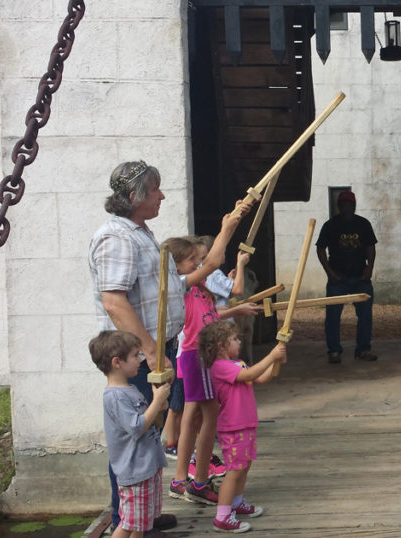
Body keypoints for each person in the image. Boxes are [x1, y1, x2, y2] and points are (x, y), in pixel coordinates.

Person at [89, 161, 182, 533]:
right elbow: (114, 302)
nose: (162, 196)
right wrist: (153, 352)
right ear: (134, 196)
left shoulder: (139, 231)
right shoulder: (117, 237)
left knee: (149, 439)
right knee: (133, 441)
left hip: (150, 353)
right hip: (137, 358)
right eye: (156, 189)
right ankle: (124, 522)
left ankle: (145, 515)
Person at [163, 236, 262, 506]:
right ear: (176, 265)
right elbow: (214, 265)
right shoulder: (182, 285)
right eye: (193, 260)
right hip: (196, 354)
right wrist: (228, 229)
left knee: (195, 416)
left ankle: (182, 479)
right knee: (208, 417)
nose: (199, 264)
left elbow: (210, 316)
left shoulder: (199, 288)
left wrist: (236, 309)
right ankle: (199, 481)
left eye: (199, 259)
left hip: (196, 354)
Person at [200, 321, 288, 533]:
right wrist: (271, 356)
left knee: (244, 467)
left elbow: (260, 378)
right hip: (233, 428)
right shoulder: (220, 367)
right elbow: (249, 375)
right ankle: (222, 517)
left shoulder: (237, 364)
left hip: (246, 424)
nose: (239, 342)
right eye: (234, 339)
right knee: (234, 471)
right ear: (221, 345)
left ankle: (236, 503)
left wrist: (277, 362)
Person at [90, 330, 171, 538]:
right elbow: (136, 428)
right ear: (117, 362)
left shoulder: (129, 389)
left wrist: (159, 406)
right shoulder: (115, 396)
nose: (140, 360)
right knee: (128, 524)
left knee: (140, 523)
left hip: (145, 466)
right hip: (135, 471)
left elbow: (146, 420)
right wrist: (156, 401)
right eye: (135, 355)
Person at [316, 190, 378, 363]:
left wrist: (369, 269)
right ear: (339, 206)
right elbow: (320, 249)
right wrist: (329, 272)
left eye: (350, 204)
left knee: (365, 316)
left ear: (354, 206)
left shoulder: (363, 224)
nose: (347, 208)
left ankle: (363, 350)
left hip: (360, 278)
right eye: (344, 205)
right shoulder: (330, 225)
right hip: (338, 279)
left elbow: (370, 247)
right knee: (333, 317)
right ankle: (334, 351)